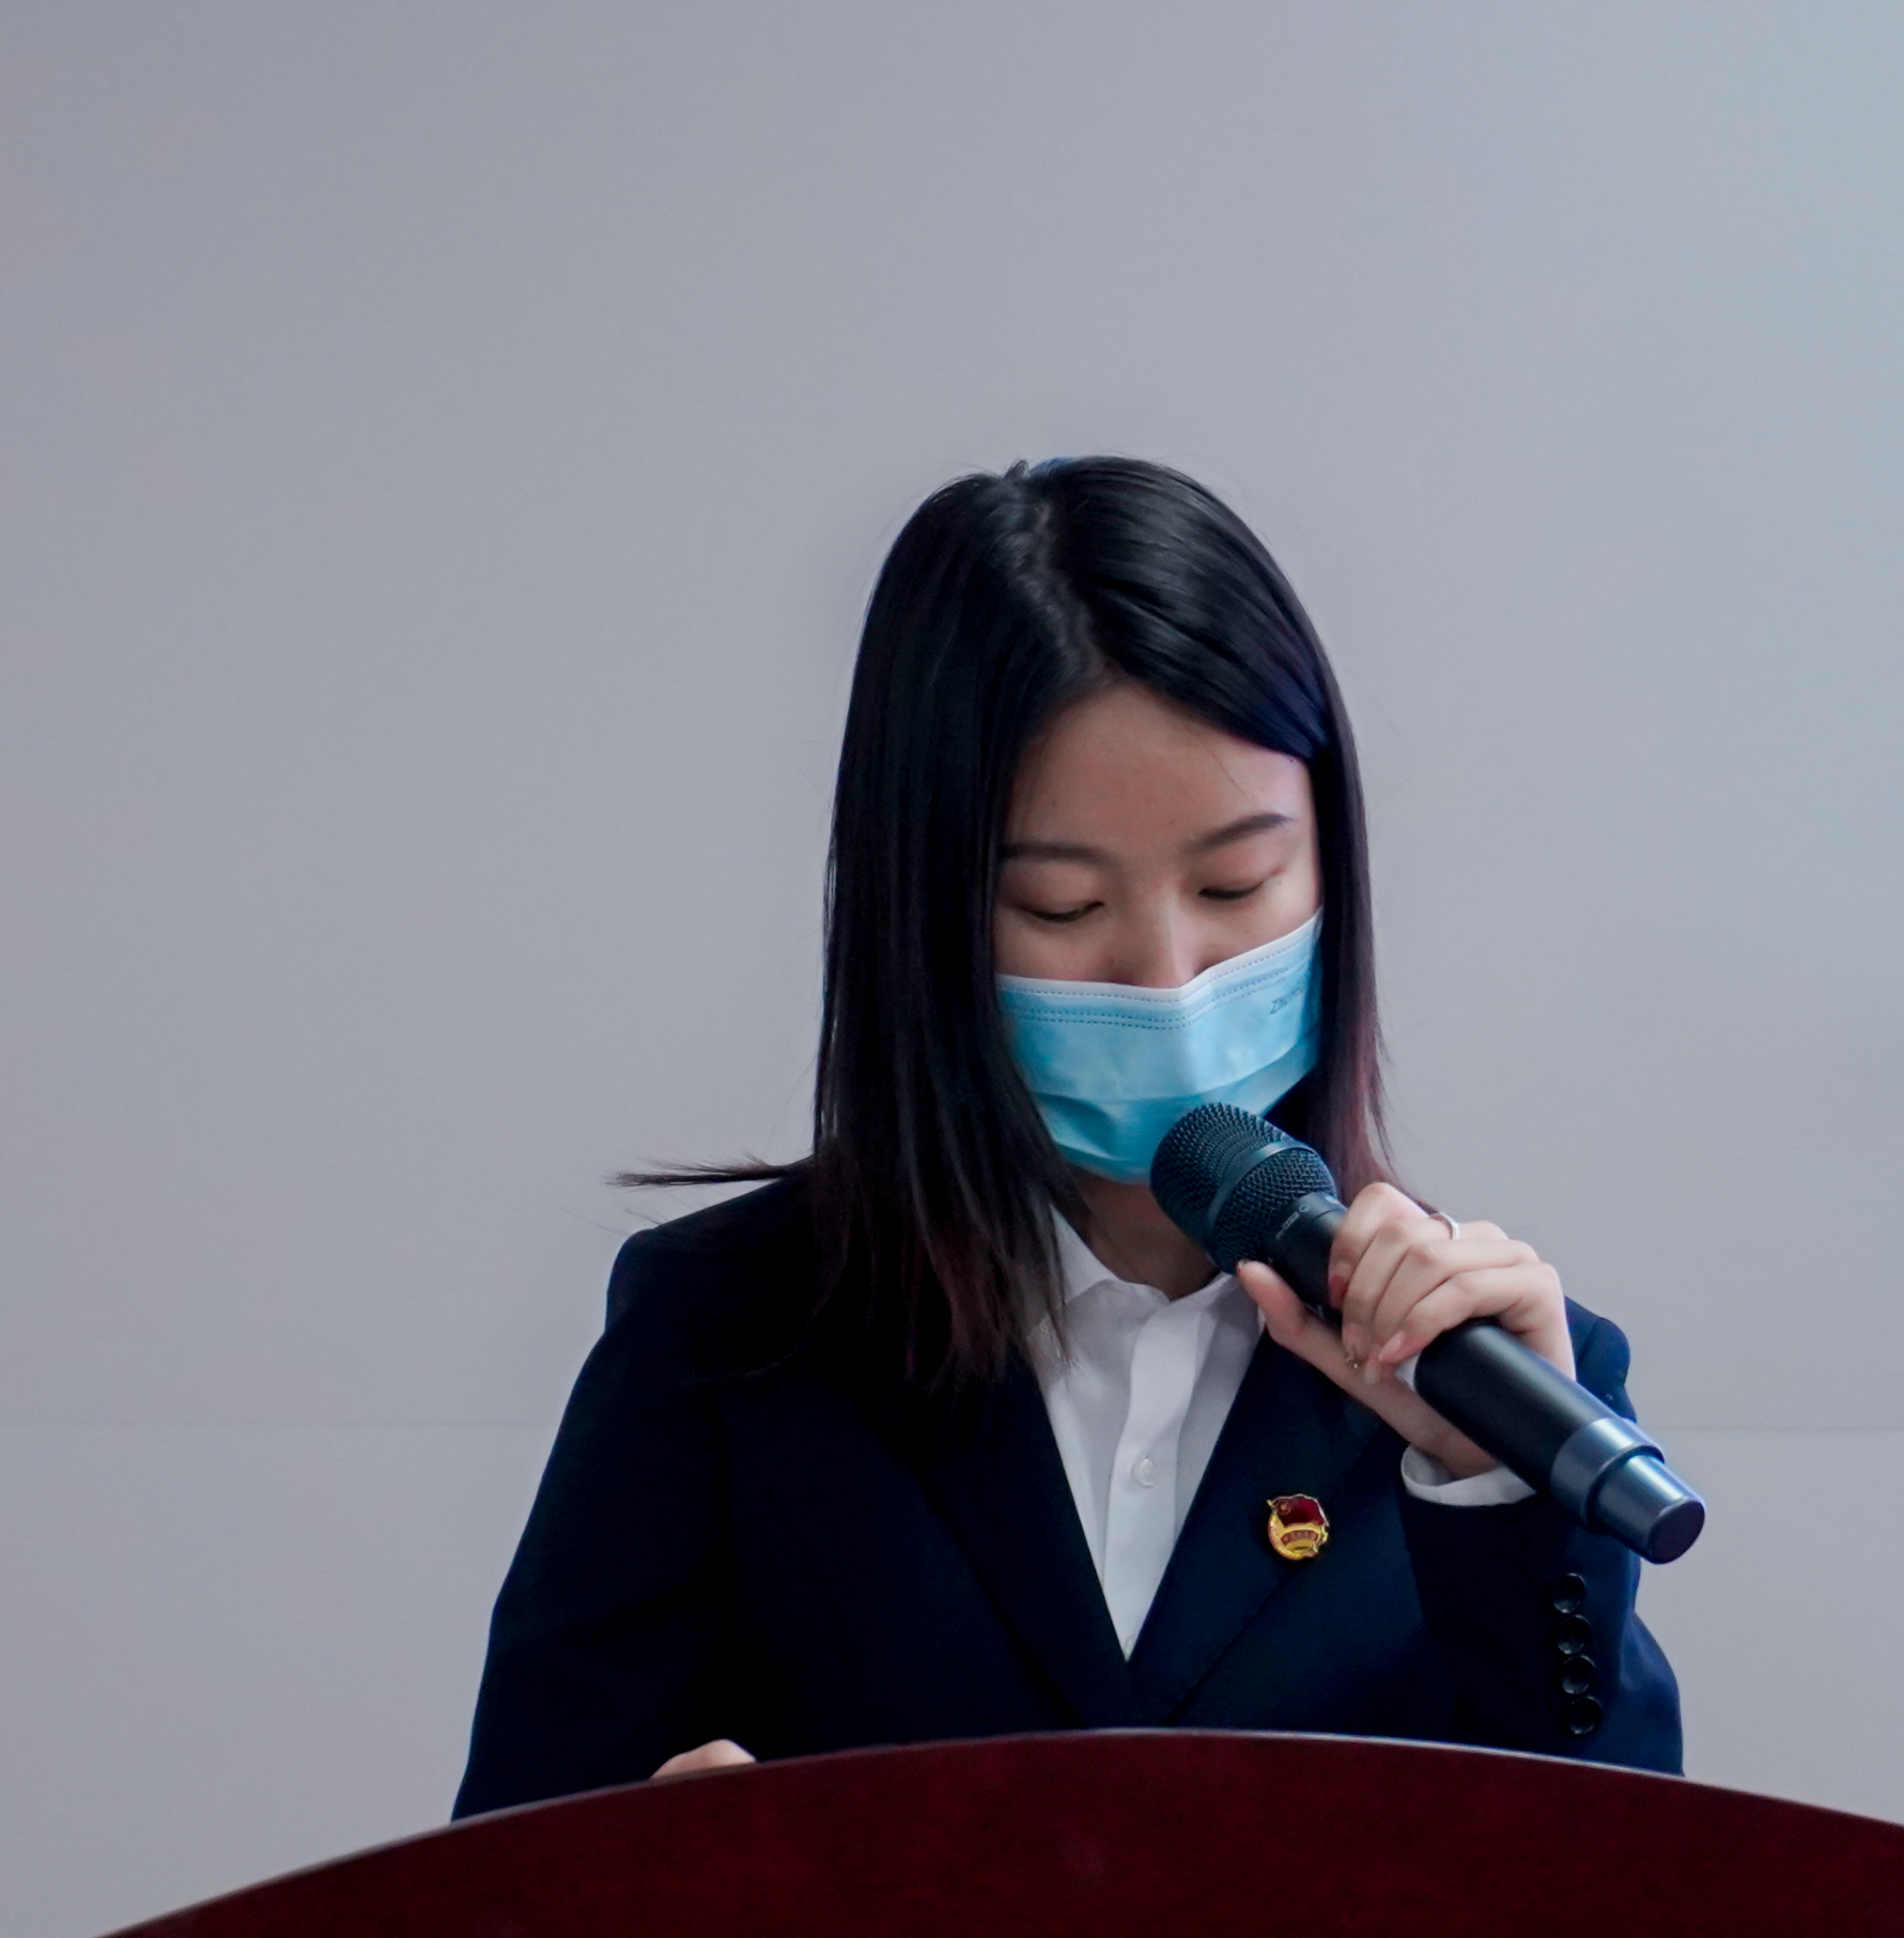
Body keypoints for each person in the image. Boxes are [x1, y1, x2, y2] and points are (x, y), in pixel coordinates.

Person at [452, 457, 1680, 1818]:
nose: (1167, 978)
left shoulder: (1486, 1374)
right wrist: (648, 1888)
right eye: (1060, 907)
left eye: (1237, 884)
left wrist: (1501, 1492)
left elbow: (1620, 1896)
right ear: (925, 915)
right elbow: (496, 1894)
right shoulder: (728, 1336)